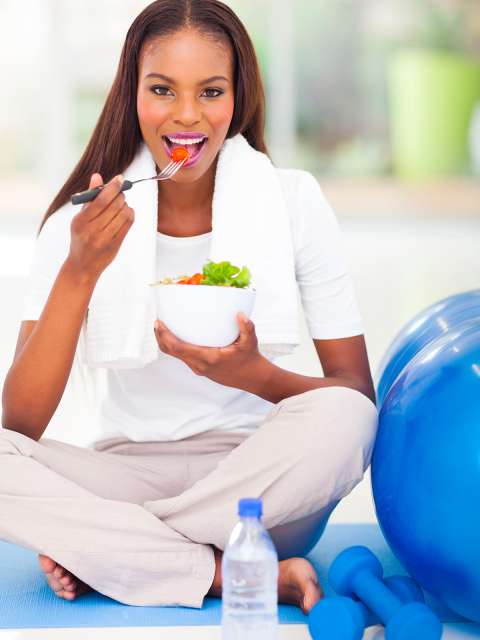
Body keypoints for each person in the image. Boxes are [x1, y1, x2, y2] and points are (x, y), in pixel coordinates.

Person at [0, 0, 377, 613]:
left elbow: (351, 391)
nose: (185, 115)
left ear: (237, 97)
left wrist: (251, 375)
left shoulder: (294, 203)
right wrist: (81, 271)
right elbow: (20, 424)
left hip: (261, 487)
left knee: (351, 418)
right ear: (132, 95)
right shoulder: (80, 224)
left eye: (210, 91)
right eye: (162, 89)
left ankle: (122, 552)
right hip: (124, 475)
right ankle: (224, 573)